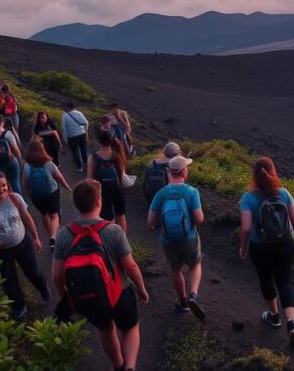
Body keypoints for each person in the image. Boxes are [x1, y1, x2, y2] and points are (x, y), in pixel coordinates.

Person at [53, 180, 149, 371]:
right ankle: (130, 367)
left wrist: (64, 295)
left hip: (89, 297)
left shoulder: (64, 234)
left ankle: (118, 365)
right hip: (119, 292)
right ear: (99, 202)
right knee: (130, 328)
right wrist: (141, 289)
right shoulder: (113, 230)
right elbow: (130, 266)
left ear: (76, 204)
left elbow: (56, 275)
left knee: (106, 328)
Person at [239, 157, 294, 346]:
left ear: (254, 176)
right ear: (273, 171)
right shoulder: (284, 193)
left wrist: (243, 248)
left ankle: (274, 317)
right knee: (284, 282)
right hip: (285, 244)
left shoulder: (248, 198)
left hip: (260, 247)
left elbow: (245, 228)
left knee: (266, 278)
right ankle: (291, 324)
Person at [0, 171, 50, 320]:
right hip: (0, 251)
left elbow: (27, 217)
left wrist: (36, 237)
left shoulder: (15, 198)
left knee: (33, 272)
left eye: (4, 185)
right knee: (9, 281)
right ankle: (19, 306)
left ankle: (43, 288)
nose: (1, 189)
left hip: (22, 243)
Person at [147, 155, 206, 319]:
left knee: (176, 269)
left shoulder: (161, 193)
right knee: (195, 264)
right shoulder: (191, 192)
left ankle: (182, 300)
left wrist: (162, 224)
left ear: (169, 173)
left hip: (168, 239)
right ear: (184, 172)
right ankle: (193, 294)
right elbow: (200, 219)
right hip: (189, 237)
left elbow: (150, 220)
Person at [24, 137, 72, 251]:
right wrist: (67, 187)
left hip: (36, 196)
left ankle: (51, 234)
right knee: (54, 215)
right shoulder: (48, 163)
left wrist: (30, 193)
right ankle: (53, 237)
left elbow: (24, 183)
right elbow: (59, 178)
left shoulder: (27, 166)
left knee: (44, 214)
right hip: (51, 192)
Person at [87, 129, 127, 231]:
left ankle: (111, 239)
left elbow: (89, 178)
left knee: (108, 218)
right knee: (120, 214)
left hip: (102, 191)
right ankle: (122, 239)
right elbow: (122, 175)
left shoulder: (93, 158)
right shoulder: (118, 155)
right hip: (118, 189)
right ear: (111, 140)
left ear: (99, 141)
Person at [142, 142, 181, 206]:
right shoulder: (174, 167)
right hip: (166, 202)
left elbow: (144, 183)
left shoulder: (152, 164)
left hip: (150, 199)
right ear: (177, 154)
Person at [61, 101, 89, 173]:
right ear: (74, 106)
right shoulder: (79, 113)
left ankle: (80, 168)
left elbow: (64, 129)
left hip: (72, 136)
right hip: (82, 134)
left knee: (75, 152)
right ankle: (87, 164)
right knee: (84, 150)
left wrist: (65, 139)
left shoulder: (65, 116)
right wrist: (85, 132)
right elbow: (86, 123)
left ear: (67, 107)